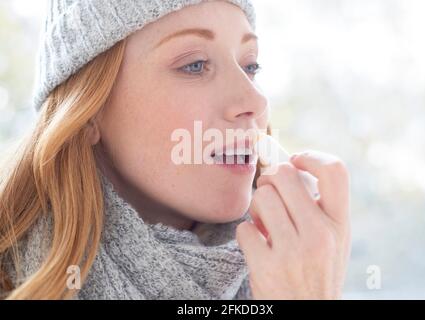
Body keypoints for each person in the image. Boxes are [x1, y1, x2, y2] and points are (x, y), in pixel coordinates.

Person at [0, 0, 351, 300]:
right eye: (195, 65)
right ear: (90, 112)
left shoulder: (298, 275)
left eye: (250, 66)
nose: (255, 101)